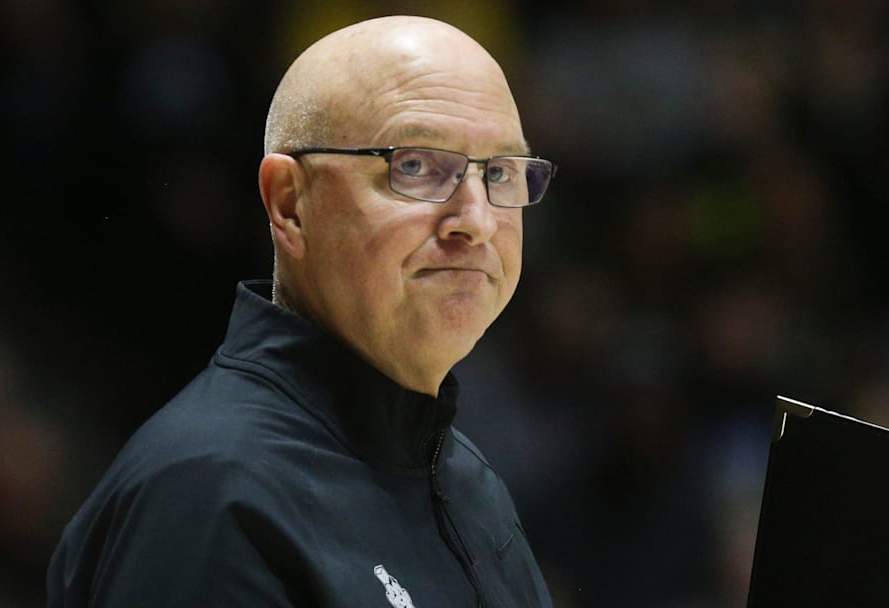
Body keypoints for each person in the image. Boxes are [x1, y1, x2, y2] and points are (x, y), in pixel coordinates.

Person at [47, 15, 557, 608]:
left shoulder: (468, 481)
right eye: (416, 166)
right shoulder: (209, 495)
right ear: (289, 204)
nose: (477, 220)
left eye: (500, 173)